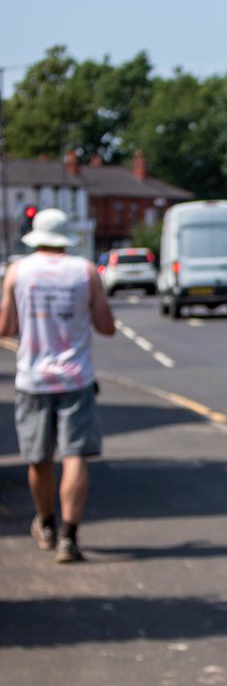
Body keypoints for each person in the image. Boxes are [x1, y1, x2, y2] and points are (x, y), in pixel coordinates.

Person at [0, 207, 115, 563]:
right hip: (76, 378)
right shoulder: (85, 271)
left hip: (33, 379)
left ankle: (47, 524)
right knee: (74, 456)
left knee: (39, 458)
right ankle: (69, 537)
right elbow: (106, 326)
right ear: (67, 237)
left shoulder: (18, 271)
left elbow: (5, 327)